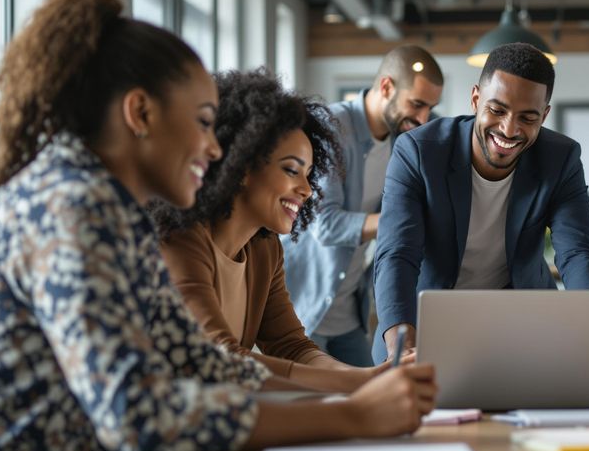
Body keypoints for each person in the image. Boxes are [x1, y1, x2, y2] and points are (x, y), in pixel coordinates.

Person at [0, 0, 434, 451]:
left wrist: (356, 394)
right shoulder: (73, 204)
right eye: (204, 122)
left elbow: (201, 363)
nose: (214, 147)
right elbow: (136, 414)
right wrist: (351, 416)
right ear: (140, 113)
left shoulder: (110, 209)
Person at [152, 70, 402, 393]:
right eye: (291, 170)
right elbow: (222, 358)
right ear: (242, 166)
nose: (307, 189)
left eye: (309, 174)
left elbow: (293, 347)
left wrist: (367, 378)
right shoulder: (182, 239)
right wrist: (359, 381)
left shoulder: (265, 249)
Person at [371, 42, 589, 363]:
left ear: (545, 115)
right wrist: (401, 342)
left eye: (527, 117)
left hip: (519, 325)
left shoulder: (560, 159)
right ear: (475, 99)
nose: (509, 129)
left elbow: (578, 252)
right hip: (424, 323)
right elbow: (397, 252)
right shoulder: (418, 151)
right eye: (497, 110)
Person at [282, 45, 443, 367]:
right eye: (417, 104)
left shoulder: (403, 141)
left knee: (372, 395)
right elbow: (325, 225)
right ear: (386, 87)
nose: (423, 118)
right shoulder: (332, 125)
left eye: (430, 108)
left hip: (349, 311)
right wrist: (404, 222)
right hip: (303, 308)